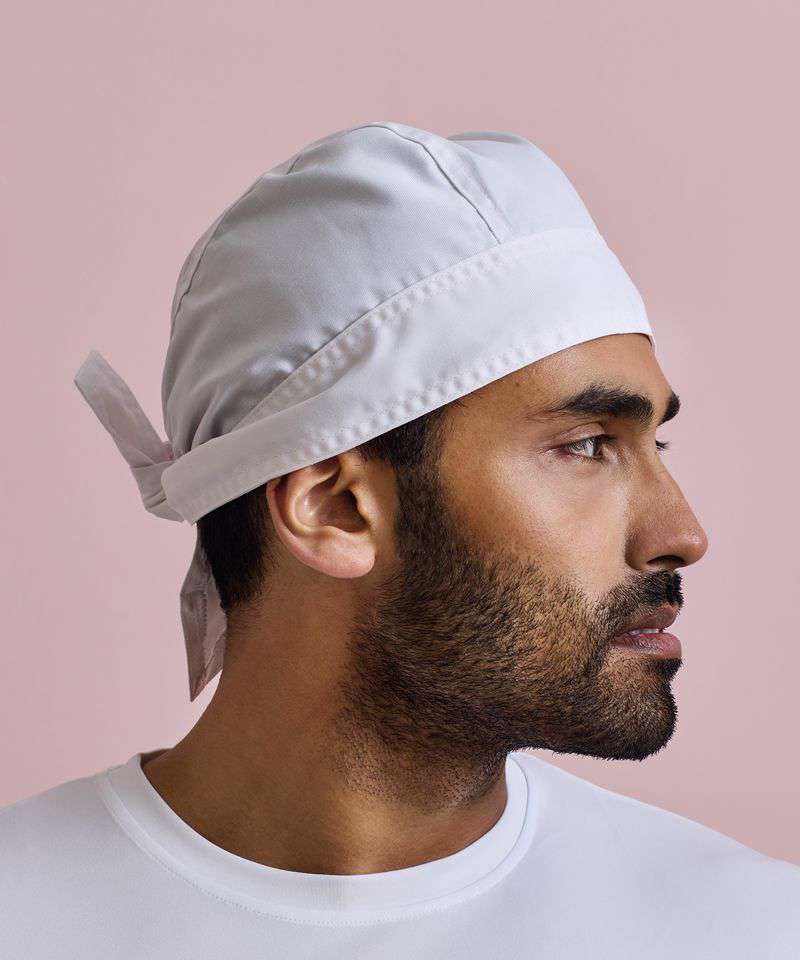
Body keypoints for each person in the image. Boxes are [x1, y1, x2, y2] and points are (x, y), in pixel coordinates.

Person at [2, 121, 798, 957]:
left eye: (654, 443)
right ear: (336, 509)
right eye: (589, 445)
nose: (682, 536)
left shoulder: (751, 931)